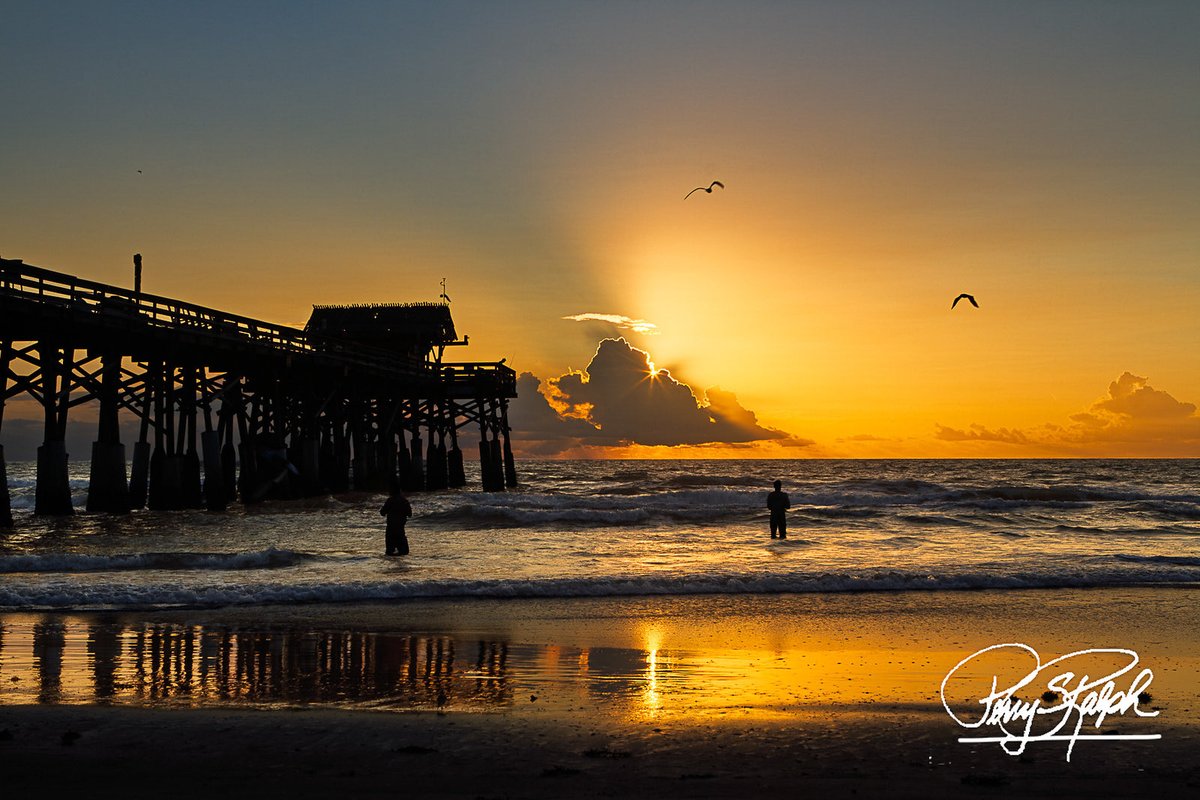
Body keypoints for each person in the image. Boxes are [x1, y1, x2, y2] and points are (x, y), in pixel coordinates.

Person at [381, 487, 413, 555]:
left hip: (391, 527)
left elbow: (382, 513)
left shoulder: (390, 500)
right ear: (400, 492)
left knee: (389, 551)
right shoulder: (404, 501)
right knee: (404, 552)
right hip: (400, 527)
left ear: (391, 492)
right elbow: (410, 514)